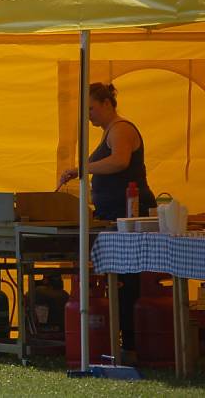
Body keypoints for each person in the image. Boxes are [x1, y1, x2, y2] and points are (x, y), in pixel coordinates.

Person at [58, 82, 156, 351]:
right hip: (112, 213)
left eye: (91, 108)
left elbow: (120, 161)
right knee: (120, 276)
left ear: (107, 104)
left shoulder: (121, 128)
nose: (88, 114)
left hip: (127, 214)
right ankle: (126, 338)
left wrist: (82, 169)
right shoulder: (108, 132)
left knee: (128, 277)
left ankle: (133, 341)